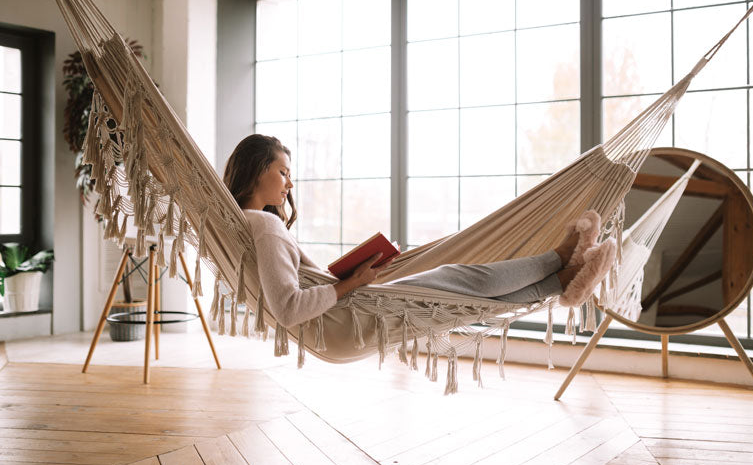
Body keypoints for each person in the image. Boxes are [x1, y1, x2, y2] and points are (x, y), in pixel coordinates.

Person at [223, 134, 615, 328]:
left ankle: (562, 280)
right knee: (461, 278)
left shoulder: (254, 223)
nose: (289, 184)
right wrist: (353, 282)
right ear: (259, 170)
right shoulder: (267, 226)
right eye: (283, 173)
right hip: (351, 315)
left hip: (352, 309)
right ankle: (560, 258)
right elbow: (288, 310)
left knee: (474, 296)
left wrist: (351, 276)